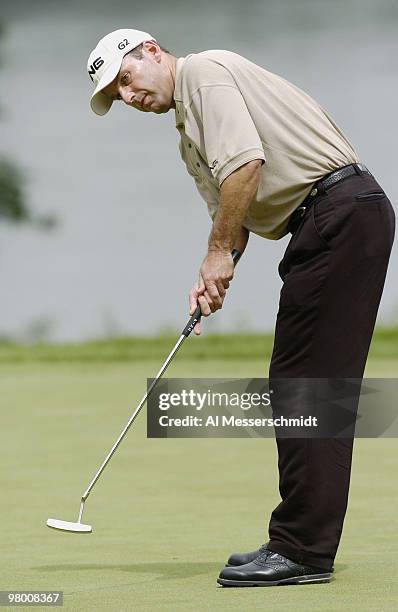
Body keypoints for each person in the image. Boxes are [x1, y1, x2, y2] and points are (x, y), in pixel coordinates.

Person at [86, 28, 395, 587]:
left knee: (309, 386)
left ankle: (303, 550)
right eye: (117, 96)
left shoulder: (203, 72)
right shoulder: (187, 135)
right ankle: (302, 544)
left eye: (126, 79)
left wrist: (217, 254)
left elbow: (246, 166)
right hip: (333, 219)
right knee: (303, 383)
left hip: (338, 212)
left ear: (153, 51)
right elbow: (238, 209)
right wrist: (214, 272)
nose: (129, 97)